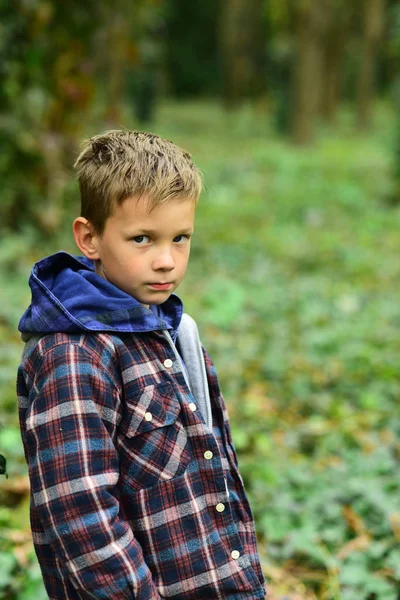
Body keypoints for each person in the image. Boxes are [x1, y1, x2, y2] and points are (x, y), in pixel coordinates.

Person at [17, 130, 266, 600]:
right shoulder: (74, 356)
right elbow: (79, 510)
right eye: (143, 239)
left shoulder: (172, 331)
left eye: (180, 238)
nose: (166, 261)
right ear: (89, 237)